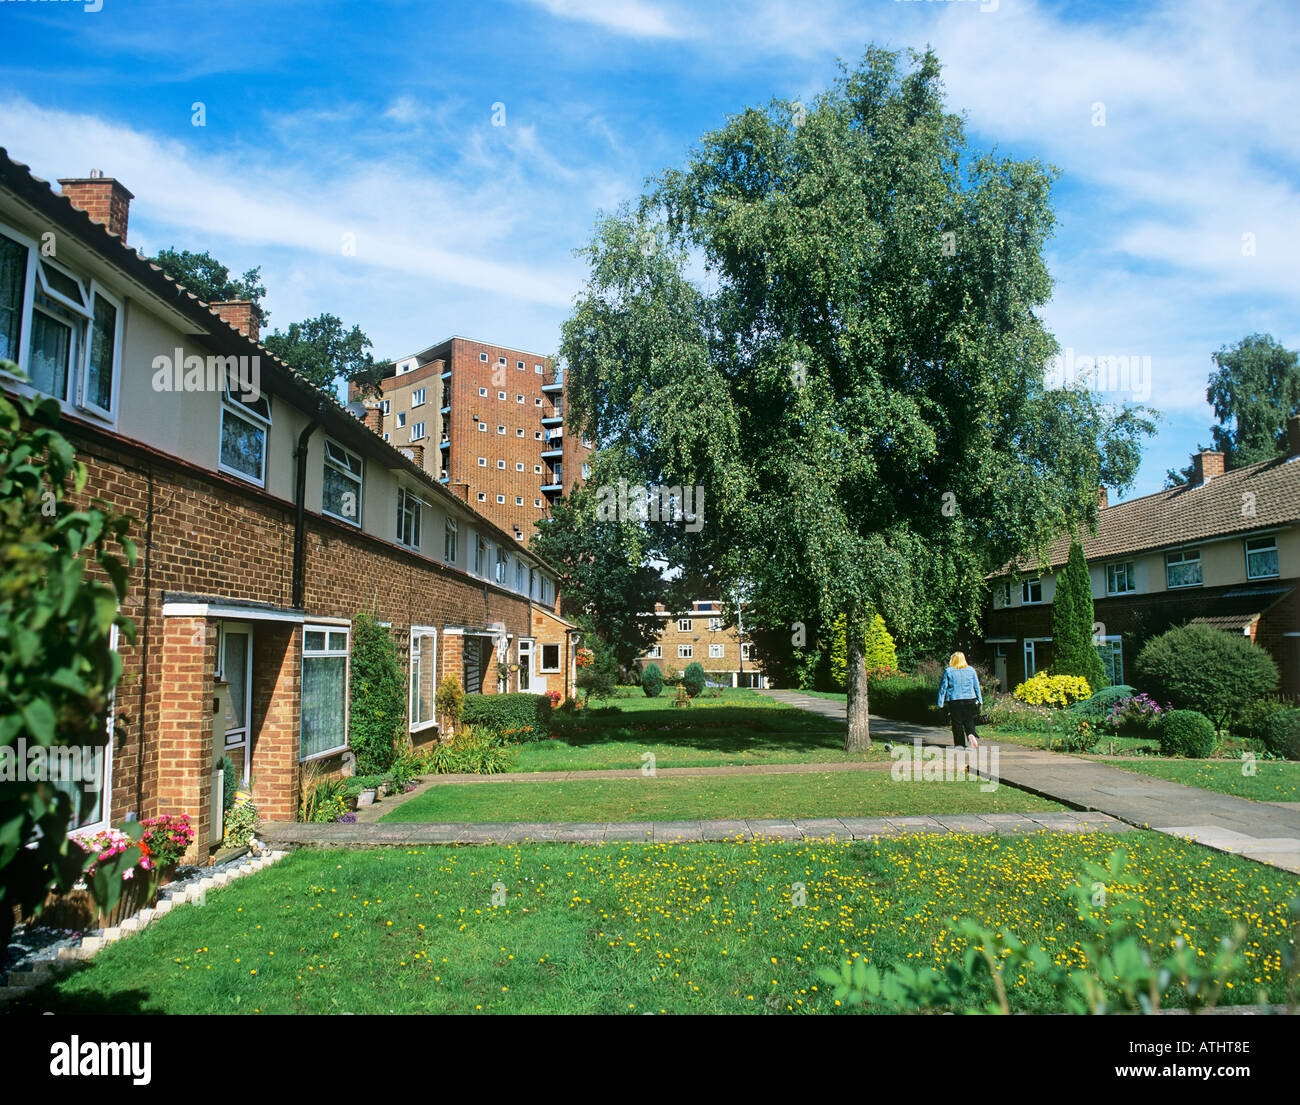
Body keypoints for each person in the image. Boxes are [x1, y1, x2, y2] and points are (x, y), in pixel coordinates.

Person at [937, 651, 981, 749]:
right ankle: (971, 735)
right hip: (970, 698)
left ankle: (960, 744)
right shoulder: (971, 670)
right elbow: (976, 686)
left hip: (954, 699)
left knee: (957, 723)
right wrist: (979, 699)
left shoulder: (948, 671)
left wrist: (940, 702)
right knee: (969, 720)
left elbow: (943, 687)